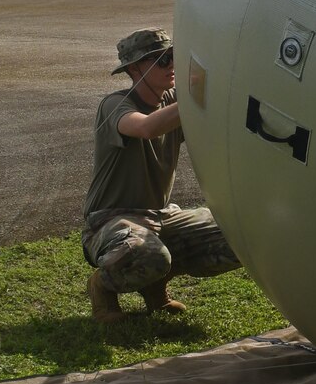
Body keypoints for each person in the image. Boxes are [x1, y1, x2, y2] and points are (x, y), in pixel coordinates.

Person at [80, 28, 240, 322]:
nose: (172, 66)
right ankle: (102, 287)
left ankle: (155, 283)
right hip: (112, 219)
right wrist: (197, 97)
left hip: (161, 215)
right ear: (134, 68)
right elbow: (145, 128)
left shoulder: (176, 99)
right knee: (149, 255)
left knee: (242, 235)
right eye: (161, 60)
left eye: (173, 57)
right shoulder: (115, 104)